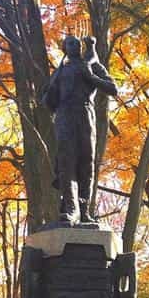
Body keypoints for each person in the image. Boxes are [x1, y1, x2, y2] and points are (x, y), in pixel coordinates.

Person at [42, 35, 118, 224]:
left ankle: (84, 211)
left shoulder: (92, 65)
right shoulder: (59, 72)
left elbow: (112, 88)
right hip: (65, 115)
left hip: (85, 114)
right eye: (69, 42)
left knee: (87, 163)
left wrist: (90, 77)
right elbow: (47, 101)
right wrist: (52, 92)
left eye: (76, 42)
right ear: (64, 48)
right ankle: (71, 209)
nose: (74, 44)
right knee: (67, 163)